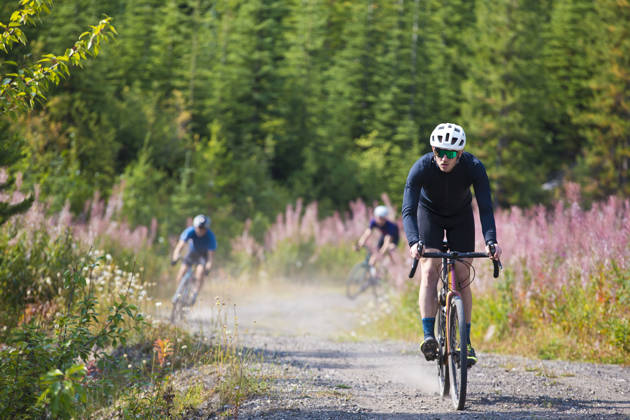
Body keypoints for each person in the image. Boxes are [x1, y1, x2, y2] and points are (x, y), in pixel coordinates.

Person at [401, 122, 502, 366]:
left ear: (460, 154)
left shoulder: (474, 168)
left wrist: (491, 241)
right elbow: (408, 210)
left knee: (462, 275)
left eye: (450, 153)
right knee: (429, 268)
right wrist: (414, 242)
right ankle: (428, 336)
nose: (444, 158)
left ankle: (465, 342)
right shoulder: (422, 167)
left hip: (460, 217)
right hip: (429, 216)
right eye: (439, 152)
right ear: (433, 150)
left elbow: (486, 208)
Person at [171, 214, 217, 306]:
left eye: (203, 228)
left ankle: (194, 295)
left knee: (200, 272)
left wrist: (208, 267)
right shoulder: (190, 231)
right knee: (182, 272)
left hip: (202, 256)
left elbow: (210, 256)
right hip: (191, 254)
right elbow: (179, 246)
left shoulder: (210, 236)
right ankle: (178, 292)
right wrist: (175, 257)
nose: (200, 230)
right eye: (199, 228)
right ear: (195, 226)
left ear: (206, 228)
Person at [355, 205, 400, 273]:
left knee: (387, 251)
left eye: (382, 218)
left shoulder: (391, 226)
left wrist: (379, 254)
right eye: (378, 218)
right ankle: (373, 277)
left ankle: (393, 268)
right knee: (372, 261)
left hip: (393, 239)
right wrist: (359, 244)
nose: (380, 221)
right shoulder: (374, 221)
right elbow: (367, 234)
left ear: (385, 218)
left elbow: (387, 242)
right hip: (384, 236)